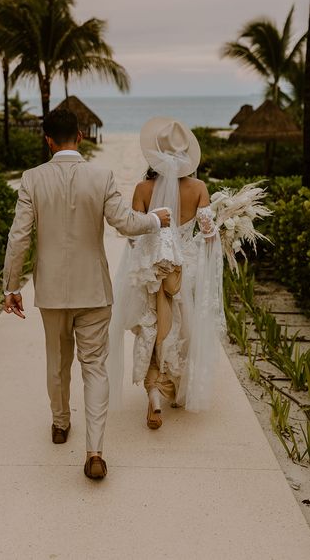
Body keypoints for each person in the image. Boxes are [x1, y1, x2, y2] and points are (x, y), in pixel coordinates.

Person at [2, 109, 171, 480]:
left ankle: (60, 424)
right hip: (94, 291)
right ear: (79, 136)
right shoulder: (101, 176)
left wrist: (12, 285)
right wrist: (157, 219)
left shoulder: (32, 179)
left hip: (50, 293)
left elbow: (19, 236)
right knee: (94, 367)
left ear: (48, 140)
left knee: (57, 362)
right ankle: (95, 451)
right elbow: (126, 222)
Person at [108, 117, 225, 430]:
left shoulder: (143, 189)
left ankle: (154, 393)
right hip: (187, 271)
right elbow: (208, 233)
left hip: (150, 272)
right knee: (182, 331)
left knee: (151, 329)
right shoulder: (199, 188)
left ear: (154, 155)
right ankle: (171, 389)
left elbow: (133, 235)